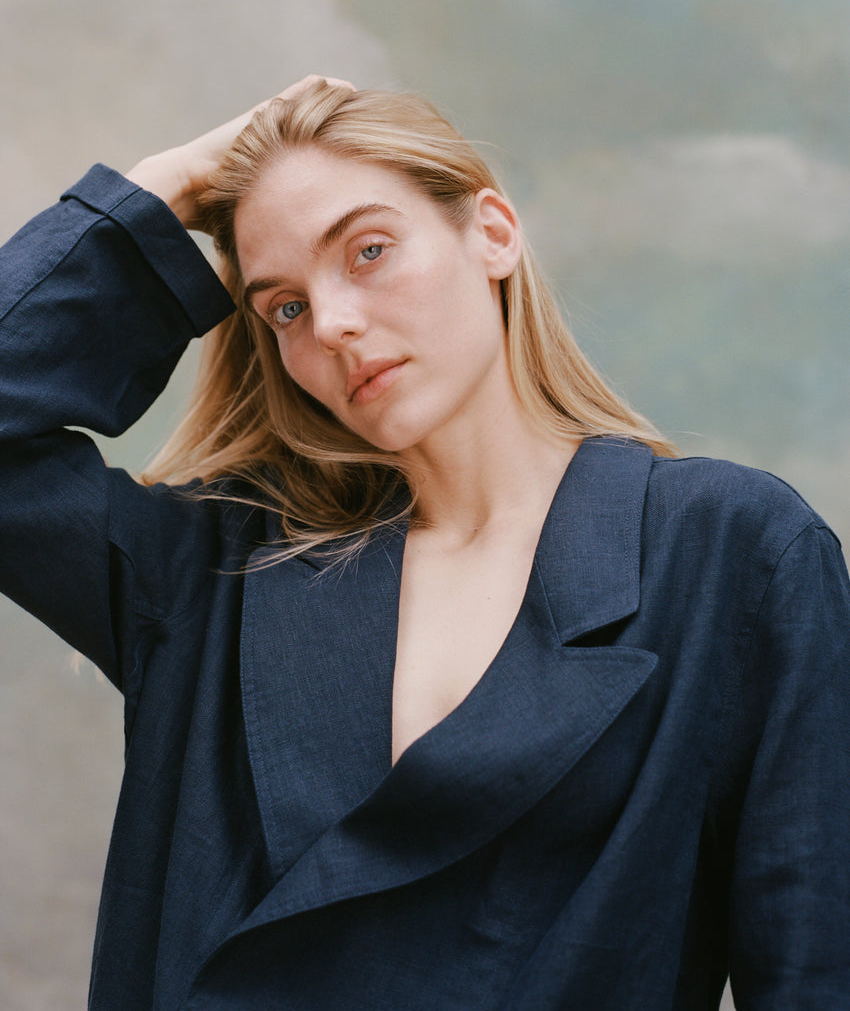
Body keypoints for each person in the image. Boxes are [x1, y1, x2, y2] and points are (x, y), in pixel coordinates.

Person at [1, 75, 848, 1011]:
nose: (332, 323)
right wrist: (163, 192)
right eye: (283, 306)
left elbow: (813, 971)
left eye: (366, 251)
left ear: (492, 232)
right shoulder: (212, 569)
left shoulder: (730, 553)